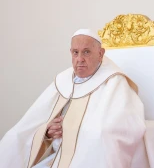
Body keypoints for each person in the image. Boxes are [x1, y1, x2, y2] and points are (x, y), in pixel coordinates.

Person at [0, 29, 146, 168]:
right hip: (58, 157)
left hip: (88, 159)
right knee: (12, 137)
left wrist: (73, 129)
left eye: (86, 52)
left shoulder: (114, 82)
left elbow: (118, 128)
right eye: (75, 53)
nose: (80, 59)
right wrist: (47, 132)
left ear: (100, 54)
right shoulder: (63, 80)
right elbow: (35, 121)